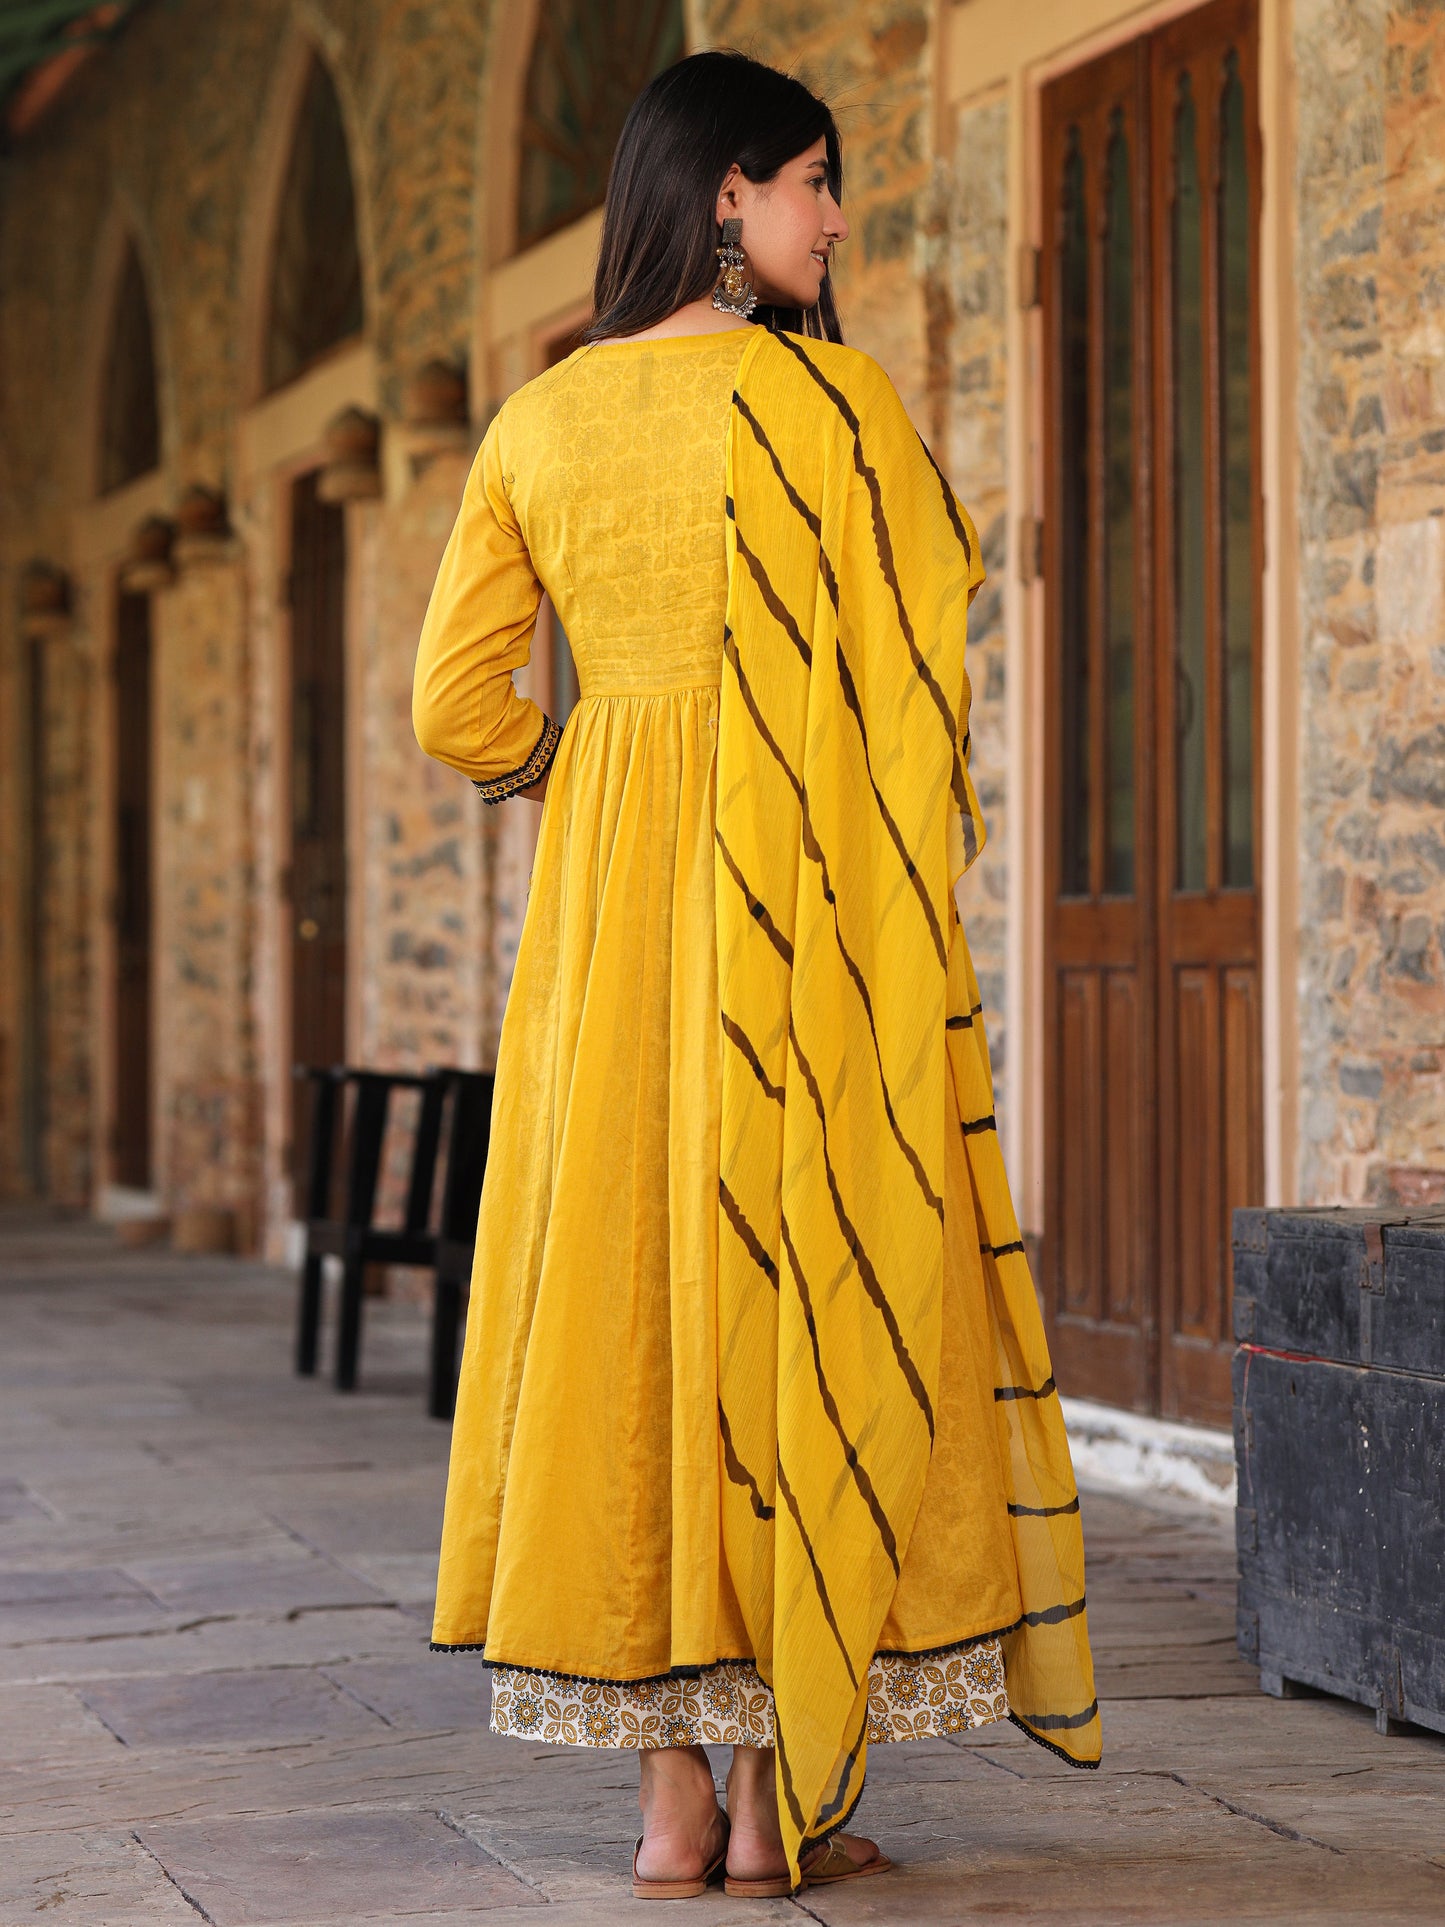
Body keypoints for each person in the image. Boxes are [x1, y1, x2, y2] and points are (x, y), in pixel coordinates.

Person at [413, 47, 1100, 1902]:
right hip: (798, 921)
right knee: (787, 1280)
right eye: (813, 182)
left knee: (627, 1302)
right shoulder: (838, 410)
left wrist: (591, 765)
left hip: (606, 938)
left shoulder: (536, 426)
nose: (832, 217)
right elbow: (915, 684)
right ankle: (778, 1790)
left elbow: (454, 704)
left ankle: (664, 1819)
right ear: (725, 192)